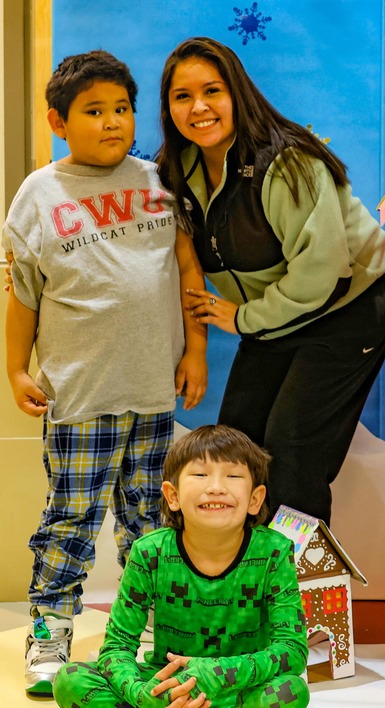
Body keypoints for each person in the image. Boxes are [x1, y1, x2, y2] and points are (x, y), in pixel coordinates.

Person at [2, 49, 207, 695]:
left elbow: (187, 271)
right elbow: (23, 294)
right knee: (72, 518)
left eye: (122, 109)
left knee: (150, 519)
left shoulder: (158, 181)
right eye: (95, 111)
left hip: (151, 391)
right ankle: (51, 630)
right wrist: (14, 369)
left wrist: (195, 351)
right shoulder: (40, 193)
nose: (113, 122)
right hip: (81, 393)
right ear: (59, 121)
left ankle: (151, 628)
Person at [155, 37, 385, 524]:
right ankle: (239, 579)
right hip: (275, 314)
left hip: (348, 306)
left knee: (292, 453)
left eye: (212, 91)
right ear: (168, 107)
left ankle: (301, 592)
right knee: (234, 448)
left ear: (237, 94)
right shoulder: (176, 173)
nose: (199, 107)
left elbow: (320, 272)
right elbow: (175, 257)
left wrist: (246, 317)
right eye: (182, 96)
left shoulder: (286, 163)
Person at [52, 424, 309, 708]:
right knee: (70, 678)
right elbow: (116, 647)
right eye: (200, 474)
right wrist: (142, 695)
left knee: (291, 691)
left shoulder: (274, 551)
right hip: (165, 688)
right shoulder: (150, 552)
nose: (216, 488)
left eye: (233, 476)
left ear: (255, 499)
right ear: (172, 496)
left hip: (236, 689)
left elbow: (292, 650)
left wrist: (220, 674)